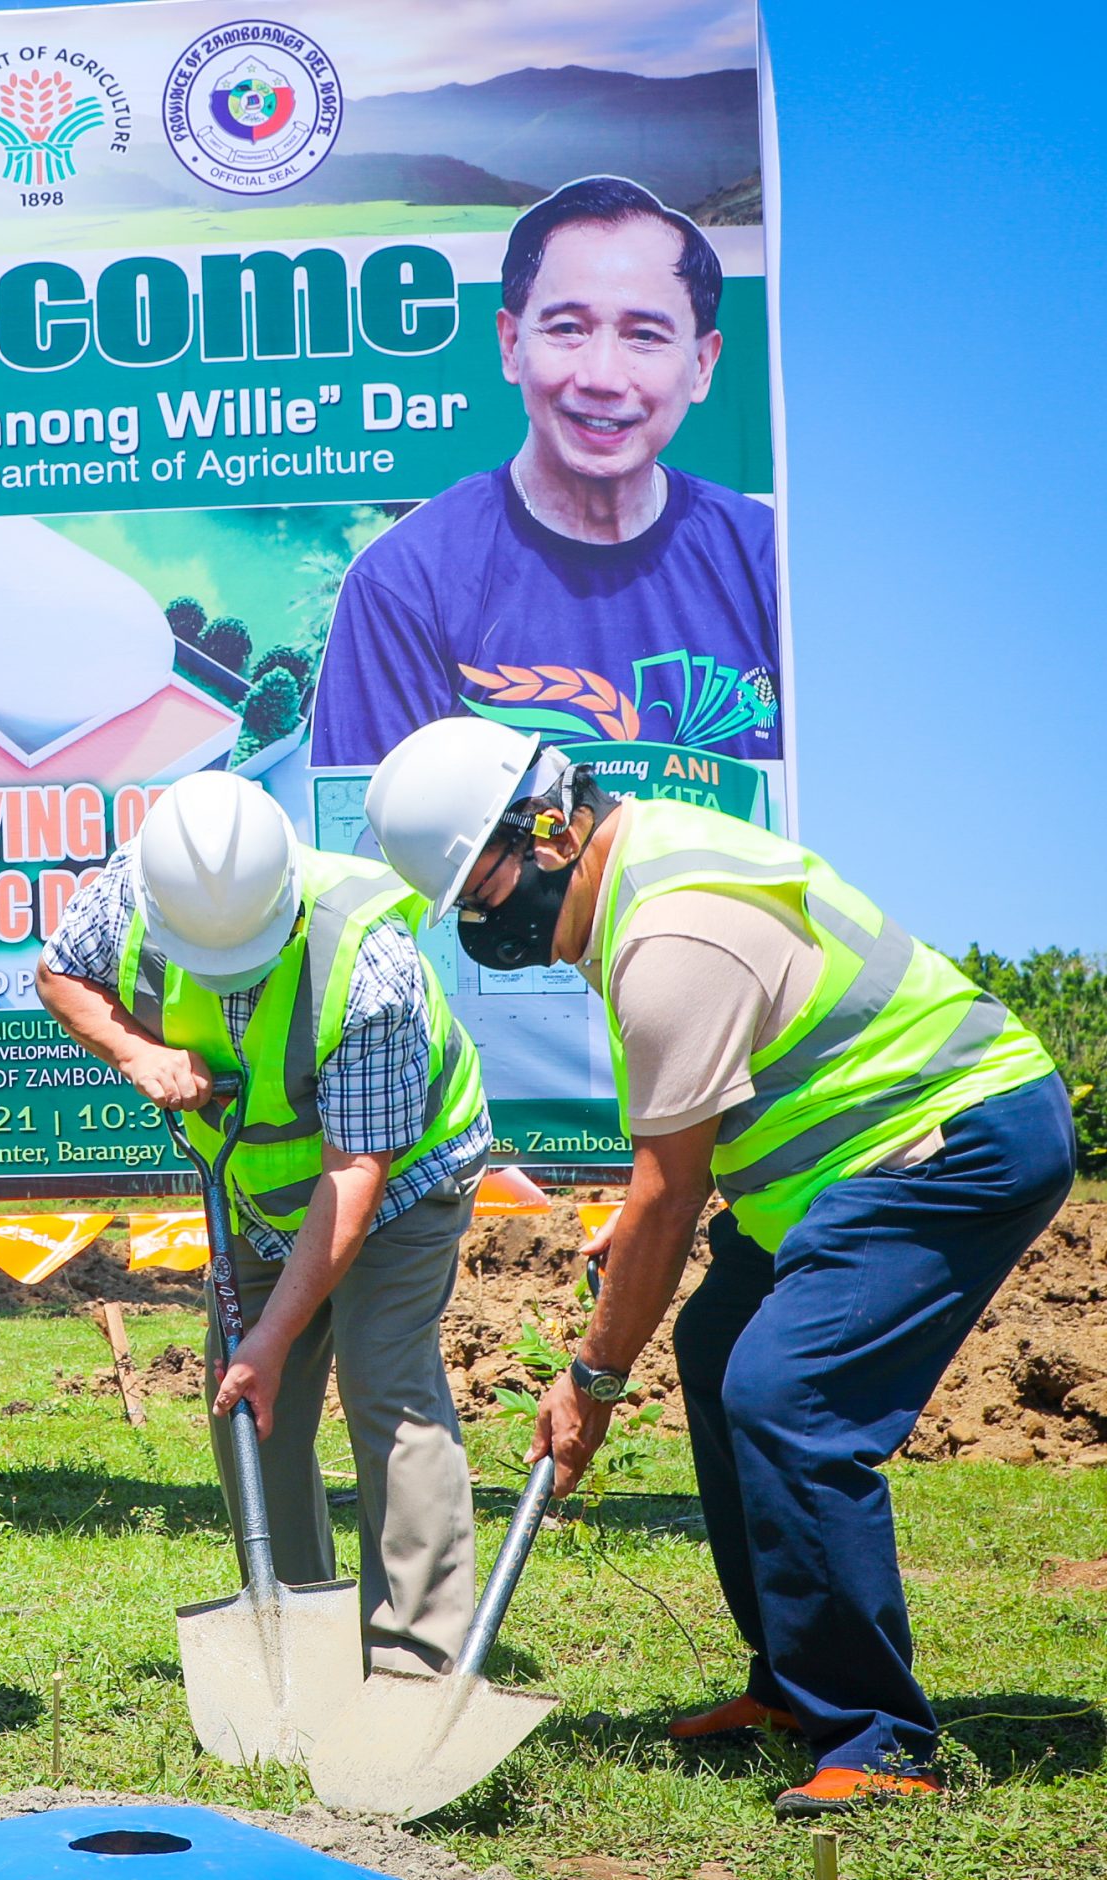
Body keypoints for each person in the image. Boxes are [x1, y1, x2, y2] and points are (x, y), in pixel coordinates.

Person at [365, 716, 1073, 1816]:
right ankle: (792, 1685)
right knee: (715, 1345)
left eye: (479, 884)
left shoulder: (671, 937)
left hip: (947, 1140)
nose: (474, 919)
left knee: (787, 1395)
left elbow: (668, 1190)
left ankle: (879, 1742)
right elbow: (688, 1155)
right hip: (837, 1162)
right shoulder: (639, 883)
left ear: (550, 830)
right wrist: (651, 1220)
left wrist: (591, 1381)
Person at [37, 771, 491, 1677]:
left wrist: (274, 1334)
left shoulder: (369, 963)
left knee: (386, 1392)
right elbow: (58, 974)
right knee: (246, 1405)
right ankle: (301, 1640)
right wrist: (136, 1047)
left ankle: (415, 1659)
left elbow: (354, 1177)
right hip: (251, 1188)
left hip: (400, 1183)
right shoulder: (142, 886)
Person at [310, 177, 780, 770]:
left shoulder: (772, 566)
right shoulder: (405, 585)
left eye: (645, 336)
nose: (603, 376)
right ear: (510, 345)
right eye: (567, 329)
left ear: (703, 365)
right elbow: (364, 851)